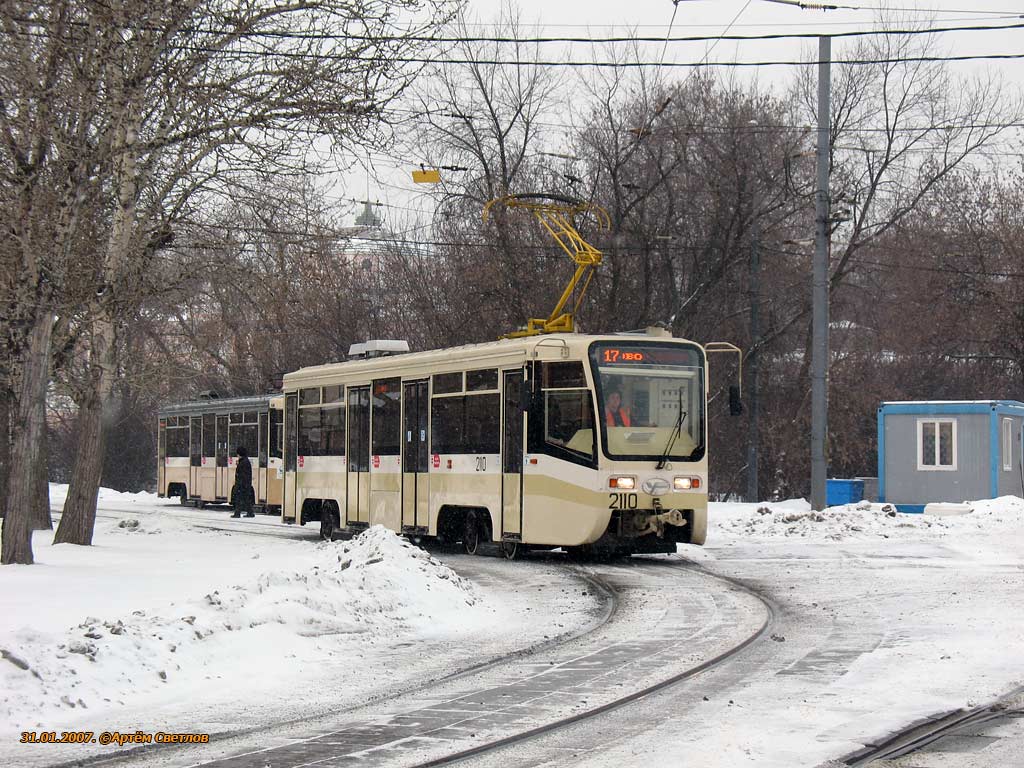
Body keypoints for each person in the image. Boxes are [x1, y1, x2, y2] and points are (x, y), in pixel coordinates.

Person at [230, 446, 255, 518]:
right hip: (246, 484)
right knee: (245, 499)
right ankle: (250, 513)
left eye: (237, 454)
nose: (237, 456)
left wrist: (238, 484)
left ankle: (237, 513)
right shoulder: (245, 461)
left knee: (239, 499)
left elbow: (241, 475)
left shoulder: (243, 463)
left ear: (240, 454)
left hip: (242, 484)